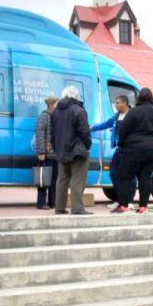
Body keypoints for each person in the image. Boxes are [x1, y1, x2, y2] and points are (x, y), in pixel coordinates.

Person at [113, 87, 153, 214]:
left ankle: (124, 205)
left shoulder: (133, 112)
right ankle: (143, 207)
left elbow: (123, 130)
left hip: (133, 149)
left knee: (125, 176)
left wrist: (121, 145)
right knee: (145, 177)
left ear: (139, 98)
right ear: (151, 98)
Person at [51, 86, 93, 215]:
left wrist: (56, 148)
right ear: (76, 96)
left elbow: (52, 133)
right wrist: (88, 145)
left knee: (62, 179)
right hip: (77, 151)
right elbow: (85, 131)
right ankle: (77, 208)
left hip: (61, 150)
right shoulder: (79, 110)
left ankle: (59, 208)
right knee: (77, 179)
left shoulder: (56, 111)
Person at [92, 95, 136, 206]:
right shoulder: (117, 116)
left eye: (117, 102)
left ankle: (129, 201)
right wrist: (92, 128)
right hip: (119, 148)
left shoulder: (132, 115)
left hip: (130, 150)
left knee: (129, 175)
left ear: (125, 103)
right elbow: (106, 124)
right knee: (114, 173)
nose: (115, 105)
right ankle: (120, 200)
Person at [35, 96, 58, 209]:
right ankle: (41, 203)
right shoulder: (44, 116)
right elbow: (39, 134)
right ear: (52, 104)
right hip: (47, 153)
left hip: (56, 154)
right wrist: (41, 152)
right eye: (57, 103)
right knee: (44, 179)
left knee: (54, 179)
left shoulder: (57, 116)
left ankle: (53, 202)